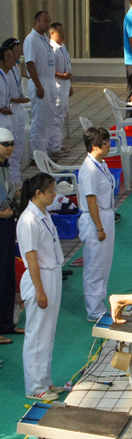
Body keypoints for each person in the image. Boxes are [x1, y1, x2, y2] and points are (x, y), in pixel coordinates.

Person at [16, 172, 64, 401]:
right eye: (51, 191)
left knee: (48, 333)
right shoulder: (28, 220)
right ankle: (35, 387)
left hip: (51, 275)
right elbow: (31, 257)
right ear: (38, 193)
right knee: (37, 335)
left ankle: (45, 380)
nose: (55, 194)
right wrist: (40, 290)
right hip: (40, 278)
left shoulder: (43, 214)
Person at [78, 127, 115, 322]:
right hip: (95, 220)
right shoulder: (89, 169)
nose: (109, 145)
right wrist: (99, 228)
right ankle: (93, 309)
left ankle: (99, 304)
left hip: (105, 216)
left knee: (104, 263)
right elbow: (91, 200)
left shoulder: (102, 164)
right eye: (105, 142)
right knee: (94, 266)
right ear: (94, 146)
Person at [0, 128, 22, 344]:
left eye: (12, 143)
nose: (10, 148)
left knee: (7, 276)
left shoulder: (5, 166)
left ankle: (6, 324)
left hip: (6, 224)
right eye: (5, 144)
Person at [24, 11, 56, 156]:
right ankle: (35, 154)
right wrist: (38, 86)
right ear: (37, 21)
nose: (48, 23)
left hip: (49, 81)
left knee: (49, 118)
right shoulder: (31, 39)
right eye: (45, 21)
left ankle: (45, 151)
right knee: (39, 120)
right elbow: (30, 64)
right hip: (40, 81)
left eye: (49, 21)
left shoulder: (44, 38)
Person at [2, 38, 29, 184]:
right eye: (16, 51)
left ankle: (16, 180)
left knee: (17, 147)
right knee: (8, 150)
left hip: (17, 111)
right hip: (9, 112)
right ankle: (11, 182)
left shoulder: (15, 68)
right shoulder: (3, 73)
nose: (18, 55)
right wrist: (17, 100)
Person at [49, 22, 73, 157]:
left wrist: (69, 84)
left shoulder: (62, 47)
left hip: (65, 85)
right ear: (52, 34)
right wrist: (62, 76)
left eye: (63, 32)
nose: (63, 35)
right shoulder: (52, 49)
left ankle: (58, 144)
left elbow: (67, 66)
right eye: (60, 33)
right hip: (57, 85)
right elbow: (50, 70)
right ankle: (53, 148)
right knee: (56, 117)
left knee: (62, 115)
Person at [0, 47, 14, 136]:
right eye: (9, 58)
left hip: (6, 116)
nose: (12, 61)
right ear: (1, 61)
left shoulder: (7, 76)